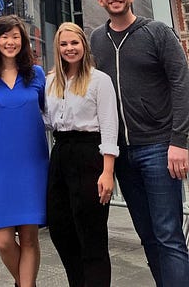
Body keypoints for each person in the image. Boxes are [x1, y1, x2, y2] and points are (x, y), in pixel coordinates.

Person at [91, 0, 189, 286]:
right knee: (147, 236)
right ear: (100, 0)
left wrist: (180, 141)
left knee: (168, 235)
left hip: (159, 148)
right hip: (121, 154)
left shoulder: (157, 32)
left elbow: (182, 83)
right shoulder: (96, 40)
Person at [45, 22, 119, 287]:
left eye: (74, 43)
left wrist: (107, 172)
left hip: (90, 154)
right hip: (61, 153)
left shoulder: (100, 80)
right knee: (60, 228)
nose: (69, 48)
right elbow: (45, 120)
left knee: (92, 233)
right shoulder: (51, 82)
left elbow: (109, 126)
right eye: (63, 44)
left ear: (84, 45)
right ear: (57, 48)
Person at [0, 15, 48, 287]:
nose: (10, 42)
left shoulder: (37, 74)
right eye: (5, 36)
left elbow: (48, 110)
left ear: (23, 41)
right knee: (4, 241)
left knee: (29, 237)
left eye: (16, 37)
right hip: (1, 164)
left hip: (33, 163)